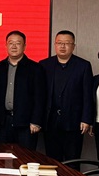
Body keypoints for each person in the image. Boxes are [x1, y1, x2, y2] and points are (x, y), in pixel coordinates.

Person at [39, 30, 93, 162]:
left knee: (72, 160)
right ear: (55, 45)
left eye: (67, 43)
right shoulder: (44, 65)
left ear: (73, 46)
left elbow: (88, 94)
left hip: (74, 122)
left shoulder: (83, 66)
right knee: (52, 161)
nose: (62, 46)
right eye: (59, 43)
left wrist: (86, 119)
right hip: (50, 121)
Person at [0, 30, 46, 150]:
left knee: (25, 157)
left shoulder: (35, 68)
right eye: (10, 43)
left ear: (24, 46)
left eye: (18, 43)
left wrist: (36, 121)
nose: (14, 46)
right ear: (6, 45)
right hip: (3, 122)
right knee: (3, 156)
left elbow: (40, 97)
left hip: (26, 124)